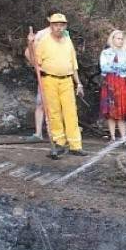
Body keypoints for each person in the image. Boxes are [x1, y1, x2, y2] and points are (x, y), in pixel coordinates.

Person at [32, 13, 87, 156]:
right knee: (54, 113)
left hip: (67, 80)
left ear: (65, 26)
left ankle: (75, 145)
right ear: (51, 26)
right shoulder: (43, 41)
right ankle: (59, 142)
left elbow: (73, 64)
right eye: (56, 25)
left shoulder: (68, 41)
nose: (59, 28)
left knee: (71, 112)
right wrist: (31, 44)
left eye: (61, 25)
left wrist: (78, 83)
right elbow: (35, 61)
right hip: (49, 80)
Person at [24, 7, 68, 141]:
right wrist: (36, 65)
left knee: (58, 105)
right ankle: (38, 133)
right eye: (55, 19)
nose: (58, 24)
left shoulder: (65, 35)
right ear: (49, 19)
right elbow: (28, 52)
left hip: (61, 74)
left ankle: (56, 135)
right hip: (46, 74)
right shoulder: (41, 35)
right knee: (41, 103)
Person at [99, 30, 126, 141]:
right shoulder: (105, 53)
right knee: (110, 111)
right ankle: (112, 137)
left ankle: (123, 138)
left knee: (122, 111)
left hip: (122, 82)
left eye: (122, 39)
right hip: (109, 83)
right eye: (118, 38)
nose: (120, 41)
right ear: (112, 39)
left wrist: (113, 66)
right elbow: (104, 67)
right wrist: (117, 66)